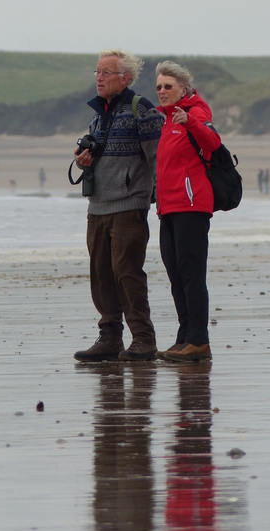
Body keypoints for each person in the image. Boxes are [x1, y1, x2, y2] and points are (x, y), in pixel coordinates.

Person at [73, 49, 164, 362]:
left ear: (124, 78)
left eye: (106, 73)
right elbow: (99, 161)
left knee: (127, 274)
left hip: (129, 206)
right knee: (100, 276)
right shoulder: (97, 116)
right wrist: (83, 160)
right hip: (97, 207)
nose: (98, 78)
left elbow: (158, 160)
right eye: (97, 72)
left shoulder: (143, 110)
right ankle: (110, 337)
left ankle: (143, 339)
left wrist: (159, 199)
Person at [154, 60, 221, 362]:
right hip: (167, 207)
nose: (162, 91)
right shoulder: (166, 119)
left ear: (183, 87)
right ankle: (185, 337)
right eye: (158, 87)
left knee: (192, 273)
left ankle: (199, 340)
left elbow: (213, 142)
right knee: (176, 273)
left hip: (192, 206)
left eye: (168, 86)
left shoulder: (196, 111)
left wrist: (190, 121)